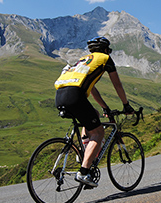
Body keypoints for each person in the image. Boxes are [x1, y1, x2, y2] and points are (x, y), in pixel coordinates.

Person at [54, 36, 134, 187]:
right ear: (105, 50)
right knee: (98, 133)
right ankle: (84, 172)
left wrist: (104, 107)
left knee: (93, 116)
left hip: (60, 95)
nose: (108, 53)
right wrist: (126, 105)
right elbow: (117, 85)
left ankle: (85, 154)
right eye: (108, 50)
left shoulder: (83, 60)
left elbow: (92, 89)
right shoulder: (105, 59)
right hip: (74, 96)